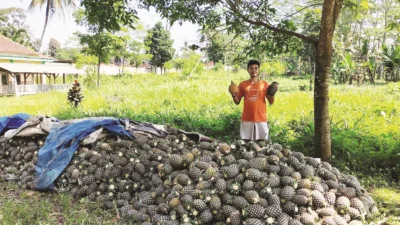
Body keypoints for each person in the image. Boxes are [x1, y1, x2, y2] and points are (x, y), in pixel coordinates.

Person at [229, 60, 277, 141]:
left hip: (261, 118)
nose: (253, 70)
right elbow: (237, 102)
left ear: (259, 70)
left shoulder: (264, 84)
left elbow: (271, 102)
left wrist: (272, 94)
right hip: (247, 118)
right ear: (248, 70)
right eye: (251, 68)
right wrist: (233, 95)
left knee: (262, 143)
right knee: (245, 143)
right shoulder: (243, 84)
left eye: (256, 68)